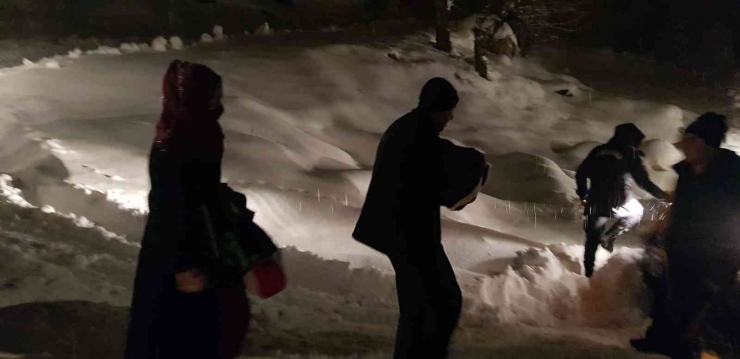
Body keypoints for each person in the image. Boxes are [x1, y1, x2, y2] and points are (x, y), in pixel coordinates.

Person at [125, 60, 250, 359]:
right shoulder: (179, 137)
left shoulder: (197, 129)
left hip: (201, 239)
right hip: (180, 249)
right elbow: (170, 200)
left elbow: (198, 186)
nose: (218, 101)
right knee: (183, 331)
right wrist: (184, 264)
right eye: (212, 94)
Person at [353, 78, 463, 359]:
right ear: (436, 107)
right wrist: (471, 165)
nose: (451, 117)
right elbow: (435, 174)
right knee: (444, 301)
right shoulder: (416, 135)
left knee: (419, 309)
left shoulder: (409, 128)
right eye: (448, 110)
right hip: (409, 236)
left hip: (405, 235)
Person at [632, 113, 740, 358]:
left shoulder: (732, 173)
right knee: (669, 293)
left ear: (703, 142)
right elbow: (676, 204)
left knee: (705, 302)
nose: (683, 147)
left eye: (689, 141)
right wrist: (659, 233)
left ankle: (698, 346)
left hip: (719, 251)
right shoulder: (688, 173)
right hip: (682, 246)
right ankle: (663, 339)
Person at [576, 123, 668, 277]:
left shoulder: (598, 151)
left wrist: (583, 195)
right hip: (619, 202)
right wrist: (664, 196)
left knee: (592, 237)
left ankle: (588, 272)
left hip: (596, 201)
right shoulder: (630, 154)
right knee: (637, 211)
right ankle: (609, 237)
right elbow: (643, 182)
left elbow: (581, 174)